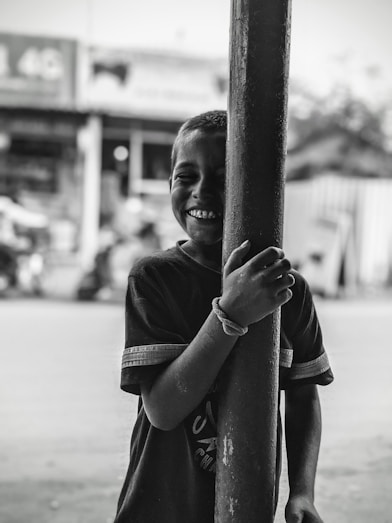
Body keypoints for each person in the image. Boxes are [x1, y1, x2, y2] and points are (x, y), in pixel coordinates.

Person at [114, 110, 334, 523]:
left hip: (248, 507)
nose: (201, 192)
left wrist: (302, 492)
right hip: (158, 508)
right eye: (186, 176)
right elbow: (161, 410)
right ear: (169, 185)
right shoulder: (155, 278)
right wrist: (230, 313)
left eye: (222, 178)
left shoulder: (290, 291)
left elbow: (304, 395)